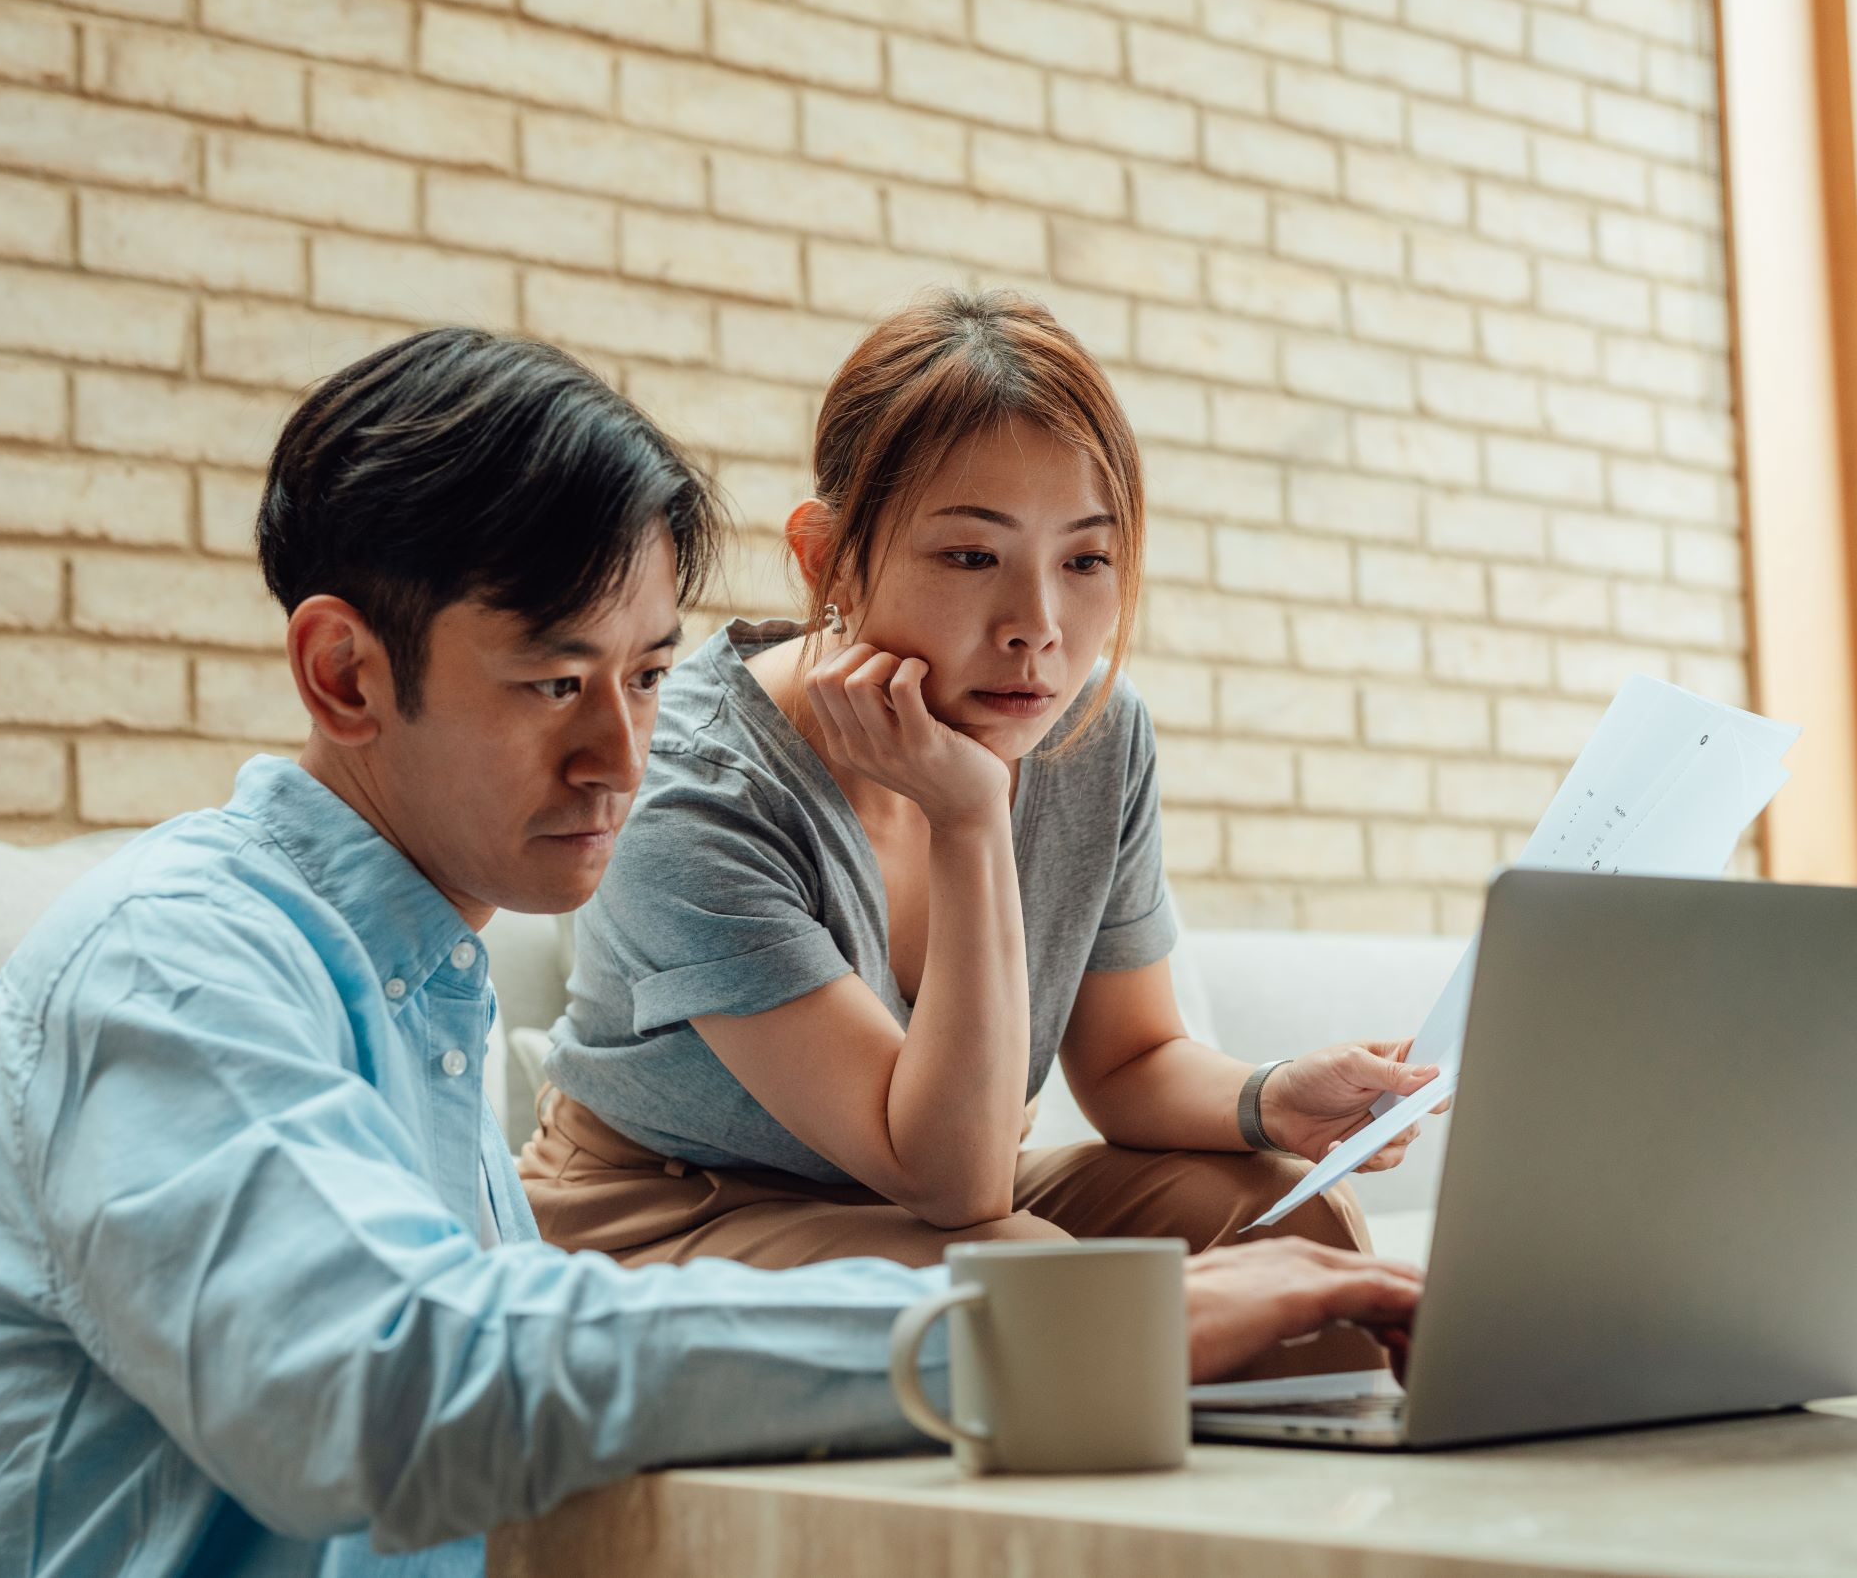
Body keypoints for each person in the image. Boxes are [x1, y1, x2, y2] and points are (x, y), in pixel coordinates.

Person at [0, 326, 1425, 1577]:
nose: (624, 753)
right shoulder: (175, 964)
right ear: (346, 671)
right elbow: (382, 1385)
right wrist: (1051, 1328)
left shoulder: (423, 974)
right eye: (557, 680)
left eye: (647, 670)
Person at [527, 292, 1441, 1377]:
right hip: (671, 1214)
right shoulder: (692, 787)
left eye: (1086, 561)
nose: (1037, 628)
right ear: (825, 560)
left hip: (943, 1200)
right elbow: (952, 1179)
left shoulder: (1091, 730)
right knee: (1033, 1275)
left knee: (1295, 1227)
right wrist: (969, 817)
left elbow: (1130, 1058)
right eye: (970, 557)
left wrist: (1267, 1096)